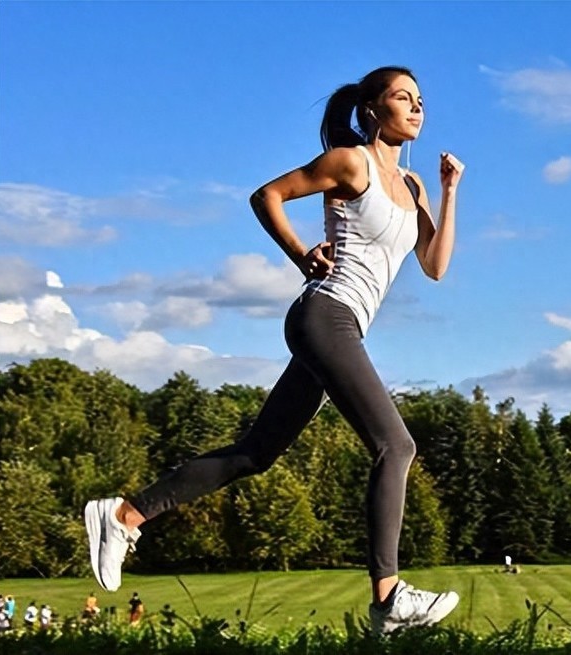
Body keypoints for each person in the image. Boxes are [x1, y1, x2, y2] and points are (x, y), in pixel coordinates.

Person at [83, 65, 464, 636]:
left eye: (420, 100)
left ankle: (123, 514)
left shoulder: (411, 189)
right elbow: (268, 196)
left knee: (256, 452)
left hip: (343, 328)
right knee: (397, 445)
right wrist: (298, 254)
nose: (416, 108)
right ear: (371, 110)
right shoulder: (350, 161)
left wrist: (449, 191)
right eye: (402, 98)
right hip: (323, 316)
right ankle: (388, 598)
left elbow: (434, 267)